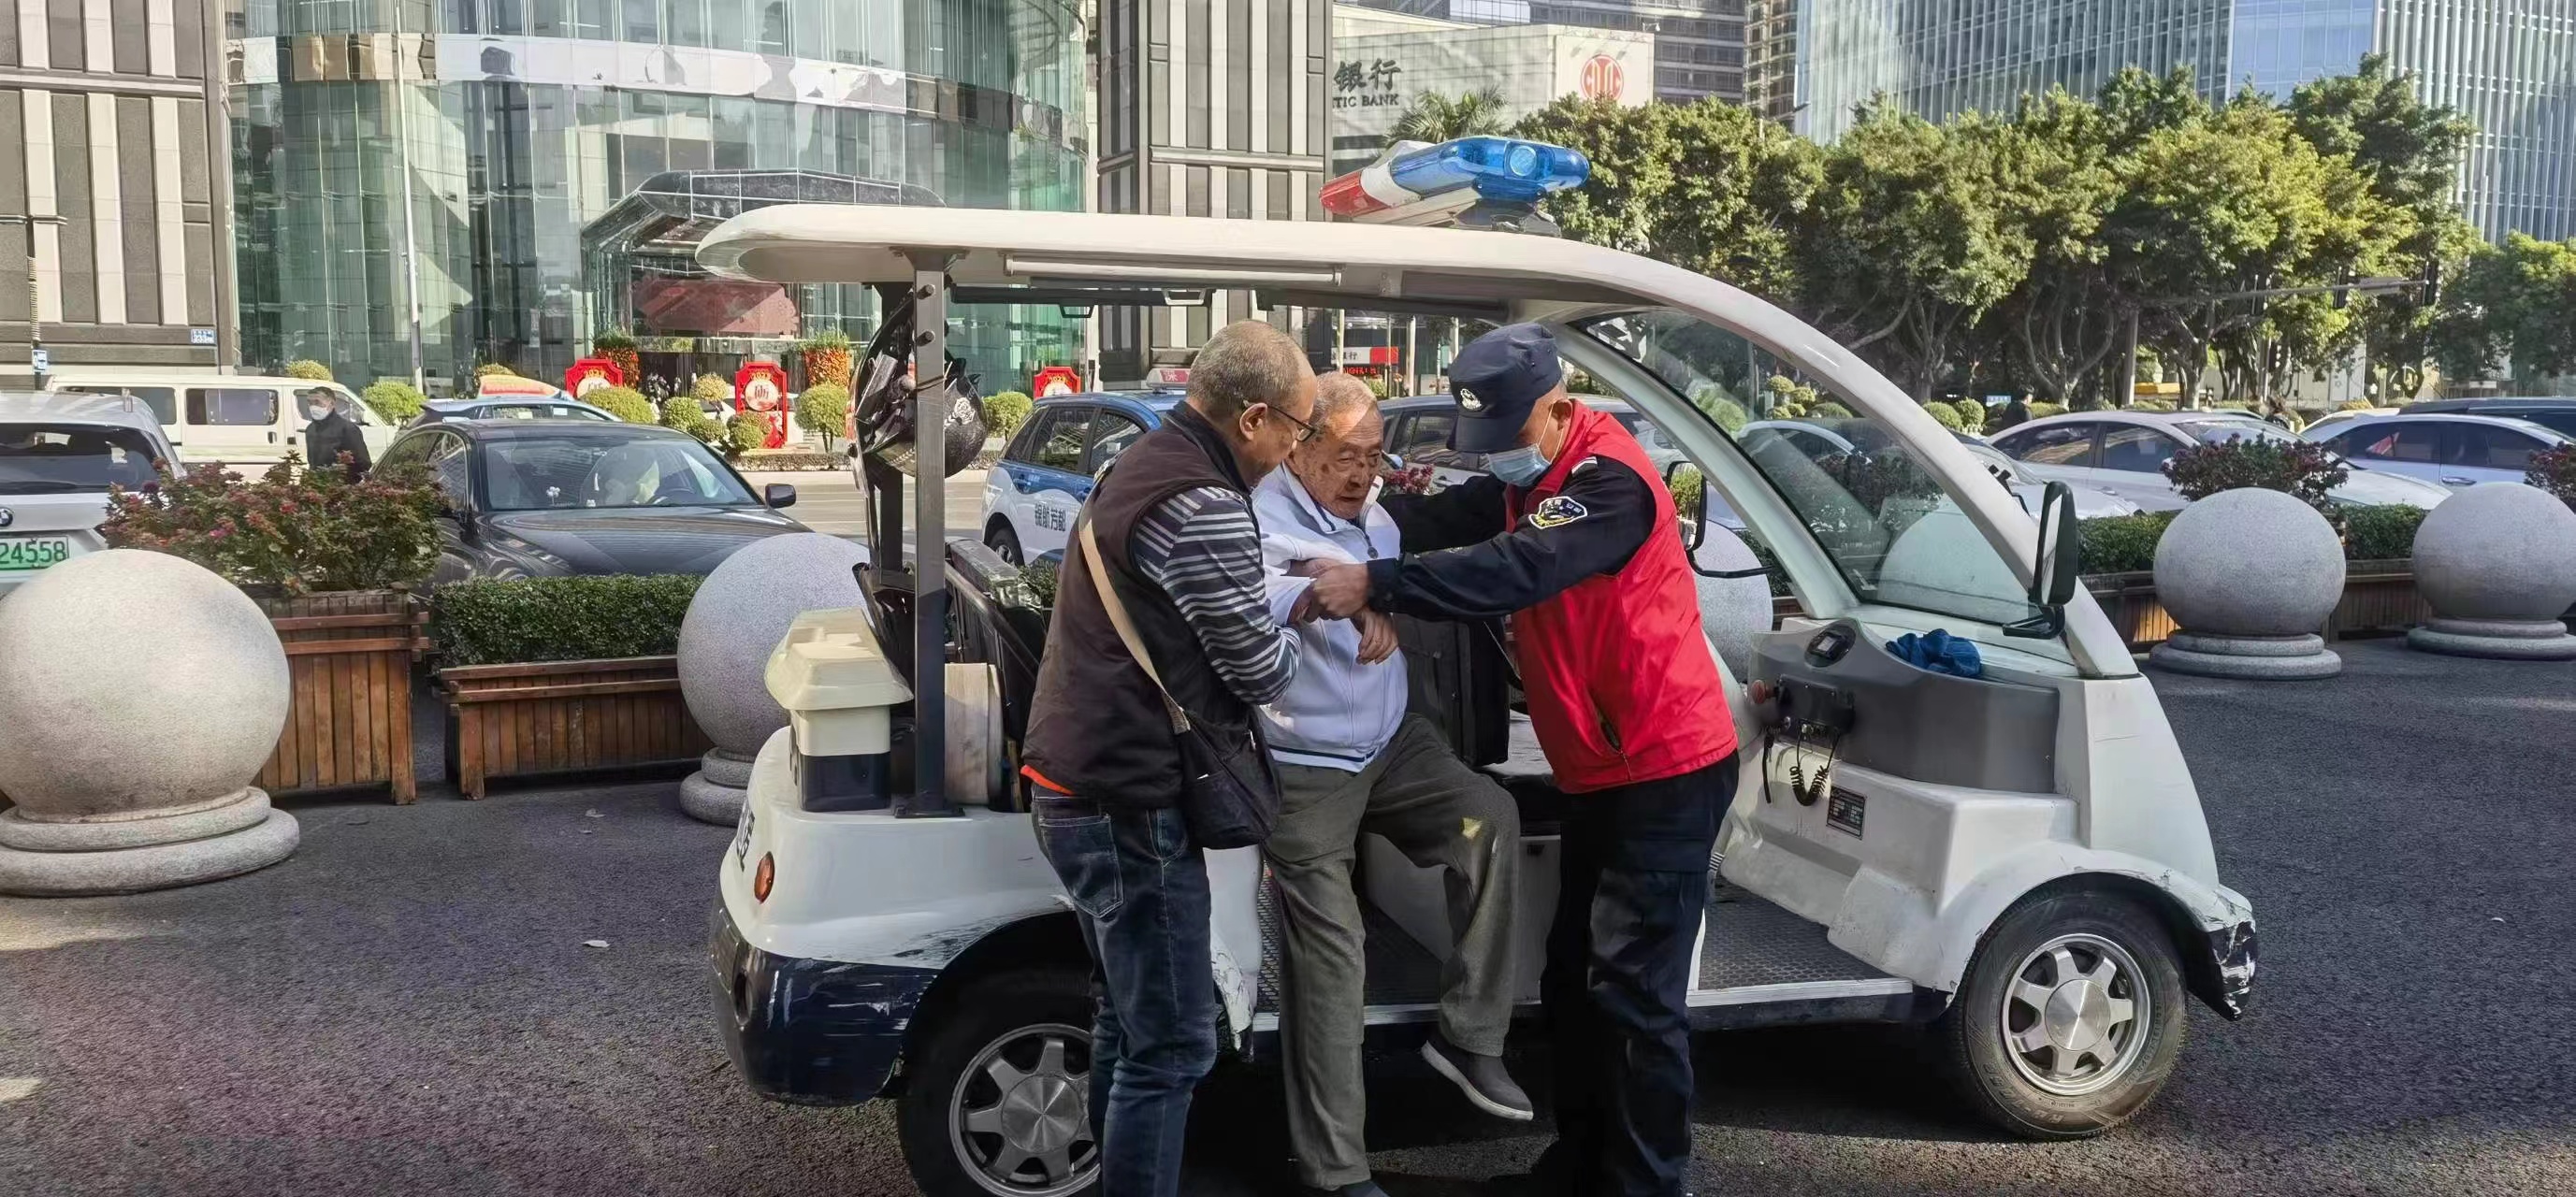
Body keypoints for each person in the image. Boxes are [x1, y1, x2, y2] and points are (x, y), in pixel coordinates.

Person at [1299, 324, 1739, 1197]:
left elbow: (1513, 569)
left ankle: (1647, 1185)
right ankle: (1582, 1167)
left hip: (1663, 771)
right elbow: (1438, 519)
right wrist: (1342, 513)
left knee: (1637, 999)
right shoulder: (1533, 477)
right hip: (1600, 771)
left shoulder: (1605, 483)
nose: (1496, 455)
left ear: (1559, 410)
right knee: (1576, 980)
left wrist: (1376, 586)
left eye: (1508, 433)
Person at [1019, 320, 1324, 1197]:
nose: (1296, 450)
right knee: (1176, 1045)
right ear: (1255, 418)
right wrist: (1301, 614)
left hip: (1075, 780)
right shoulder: (1204, 501)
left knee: (1127, 1022)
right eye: (1299, 430)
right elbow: (1260, 669)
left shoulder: (1137, 462)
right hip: (1130, 801)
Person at [1252, 373, 1529, 1197]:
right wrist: (1337, 594)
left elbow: (1405, 551)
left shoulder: (1373, 510)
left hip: (1392, 741)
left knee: (1490, 819)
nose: (1362, 473)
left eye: (1374, 456)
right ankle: (1335, 1171)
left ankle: (1469, 1036)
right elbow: (1263, 591)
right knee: (1335, 961)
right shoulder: (1258, 514)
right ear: (1299, 450)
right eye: (1347, 456)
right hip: (1304, 761)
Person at [300, 389, 371, 482]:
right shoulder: (311, 429)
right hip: (316, 484)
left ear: (332, 403)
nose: (313, 407)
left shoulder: (347, 429)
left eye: (317, 402)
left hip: (340, 486)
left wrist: (344, 474)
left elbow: (364, 464)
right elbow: (312, 463)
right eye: (310, 403)